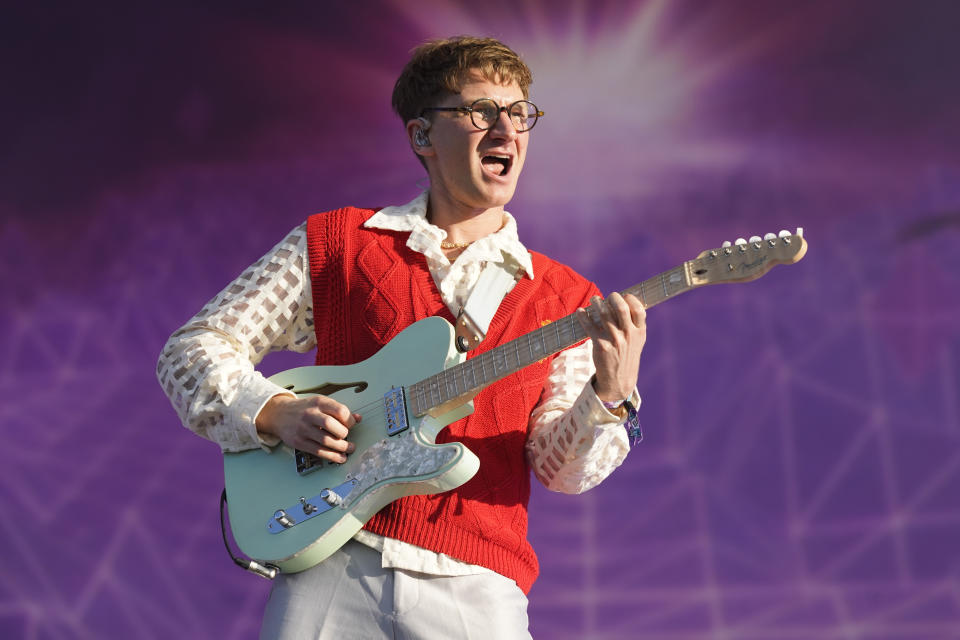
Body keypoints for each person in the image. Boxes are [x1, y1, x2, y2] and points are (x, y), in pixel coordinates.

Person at [157, 35, 647, 640]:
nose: (506, 131)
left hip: (478, 588)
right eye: (479, 111)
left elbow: (561, 469)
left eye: (519, 113)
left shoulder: (568, 298)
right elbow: (194, 347)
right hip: (332, 562)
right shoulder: (338, 243)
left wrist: (611, 395)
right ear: (422, 137)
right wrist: (275, 411)